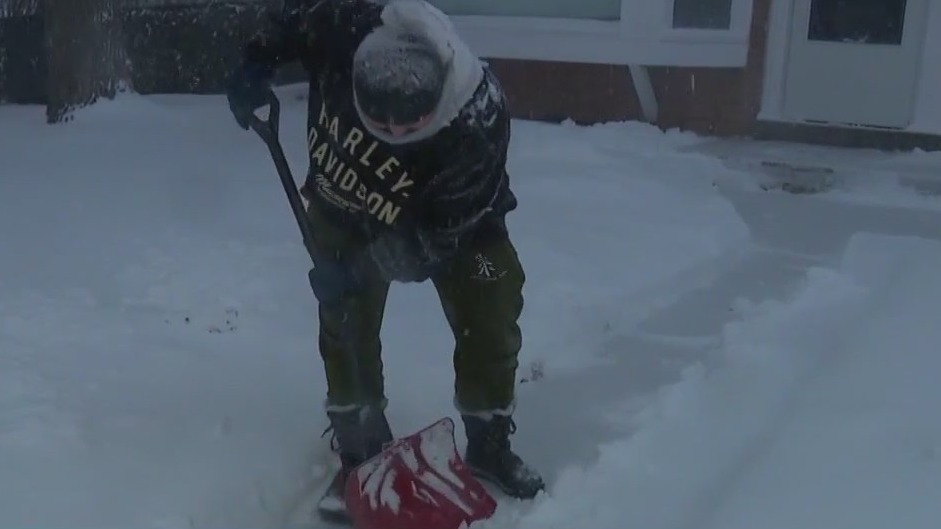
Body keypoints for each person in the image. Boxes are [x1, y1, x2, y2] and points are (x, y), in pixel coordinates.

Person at [225, 0, 545, 516]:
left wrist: (355, 271)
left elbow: (430, 243)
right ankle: (361, 453)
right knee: (344, 323)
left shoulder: (476, 121)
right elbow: (292, 18)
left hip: (457, 231)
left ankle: (489, 441)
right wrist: (257, 59)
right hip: (346, 207)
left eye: (411, 124)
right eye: (381, 121)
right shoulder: (340, 23)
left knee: (492, 294)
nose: (395, 134)